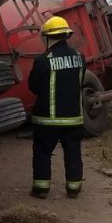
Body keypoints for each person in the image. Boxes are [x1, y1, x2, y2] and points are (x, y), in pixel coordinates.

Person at [28, 15, 85, 199]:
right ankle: (74, 189)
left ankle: (41, 189)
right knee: (73, 152)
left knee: (42, 153)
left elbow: (34, 87)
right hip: (74, 118)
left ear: (48, 37)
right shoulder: (80, 57)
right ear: (66, 35)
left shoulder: (42, 60)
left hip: (47, 120)